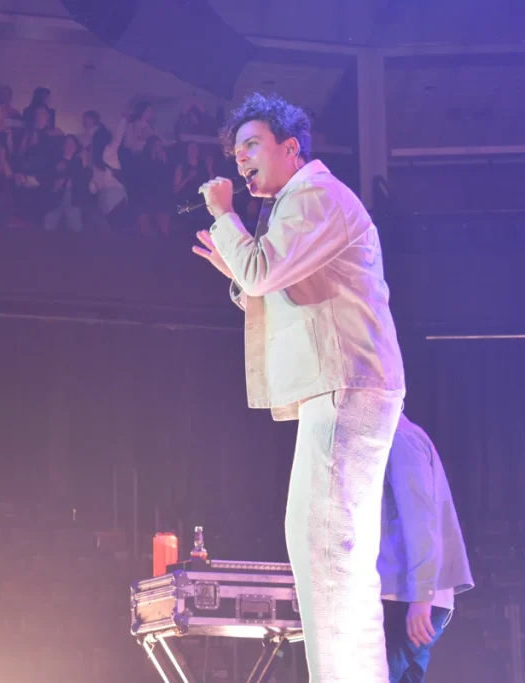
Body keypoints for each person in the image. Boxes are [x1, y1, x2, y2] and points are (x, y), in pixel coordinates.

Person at [192, 93, 405, 683]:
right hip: (345, 385)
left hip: (346, 384)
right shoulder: (302, 202)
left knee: (323, 547)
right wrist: (239, 267)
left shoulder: (313, 195)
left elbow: (262, 271)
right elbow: (273, 281)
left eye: (251, 146)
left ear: (292, 146)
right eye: (236, 154)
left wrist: (224, 217)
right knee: (331, 550)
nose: (240, 162)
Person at [379, 414, 474, 683]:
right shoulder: (399, 437)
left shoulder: (399, 439)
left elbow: (419, 519)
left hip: (406, 597)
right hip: (412, 597)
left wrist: (421, 597)